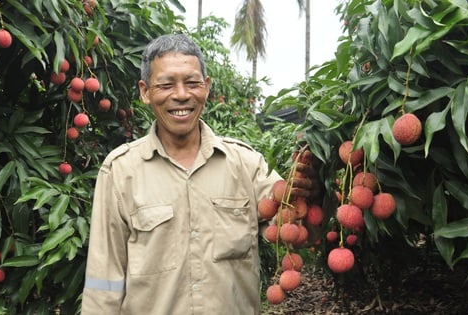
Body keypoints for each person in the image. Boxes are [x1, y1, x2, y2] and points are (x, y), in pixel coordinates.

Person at [80, 33, 316, 314]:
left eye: (192, 83)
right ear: (145, 92)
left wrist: (311, 189)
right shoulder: (120, 170)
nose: (181, 95)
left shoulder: (246, 164)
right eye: (166, 85)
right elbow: (103, 279)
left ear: (206, 87)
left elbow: (294, 225)